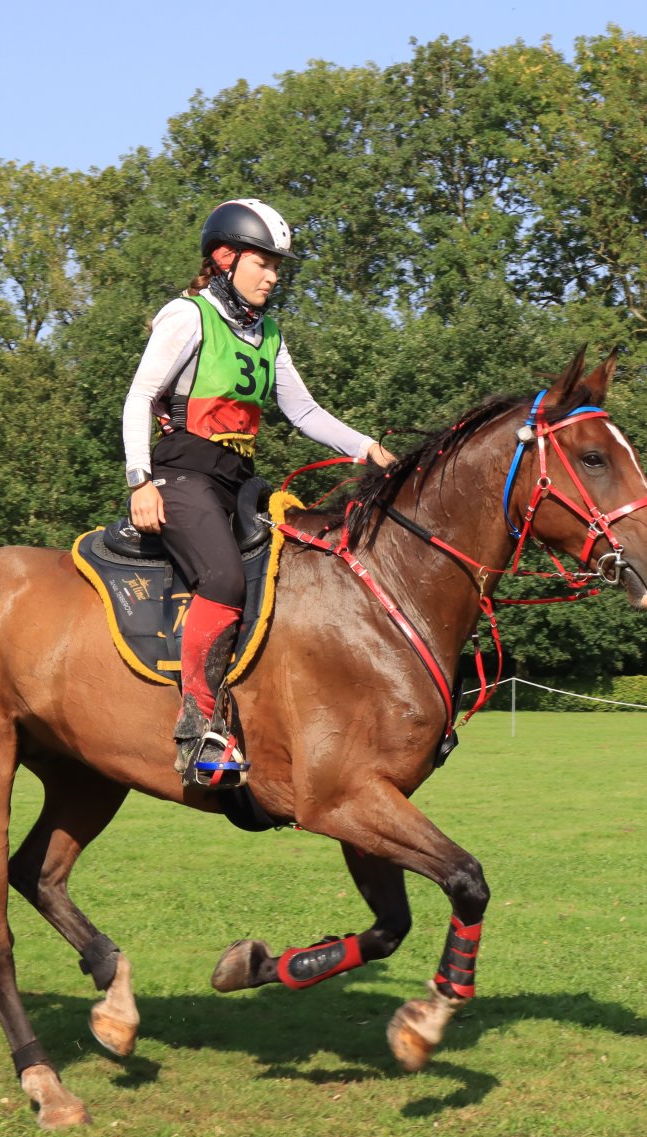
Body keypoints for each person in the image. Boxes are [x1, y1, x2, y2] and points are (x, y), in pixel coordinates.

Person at [121, 198, 396, 781]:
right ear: (225, 257)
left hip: (240, 482)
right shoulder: (188, 315)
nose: (274, 275)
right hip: (182, 474)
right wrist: (139, 480)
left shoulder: (267, 331)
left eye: (278, 266)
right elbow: (140, 396)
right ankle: (197, 726)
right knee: (221, 579)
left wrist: (365, 446)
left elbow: (303, 410)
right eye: (264, 263)